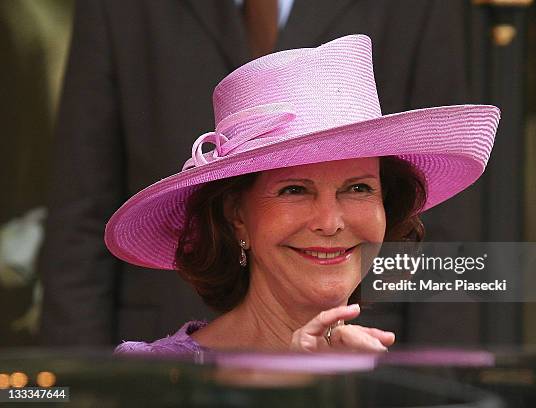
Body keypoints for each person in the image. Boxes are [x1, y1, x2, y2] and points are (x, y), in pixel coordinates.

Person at [106, 35, 500, 355]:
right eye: (294, 190)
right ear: (236, 214)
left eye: (359, 188)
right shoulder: (152, 378)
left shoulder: (397, 387)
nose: (329, 222)